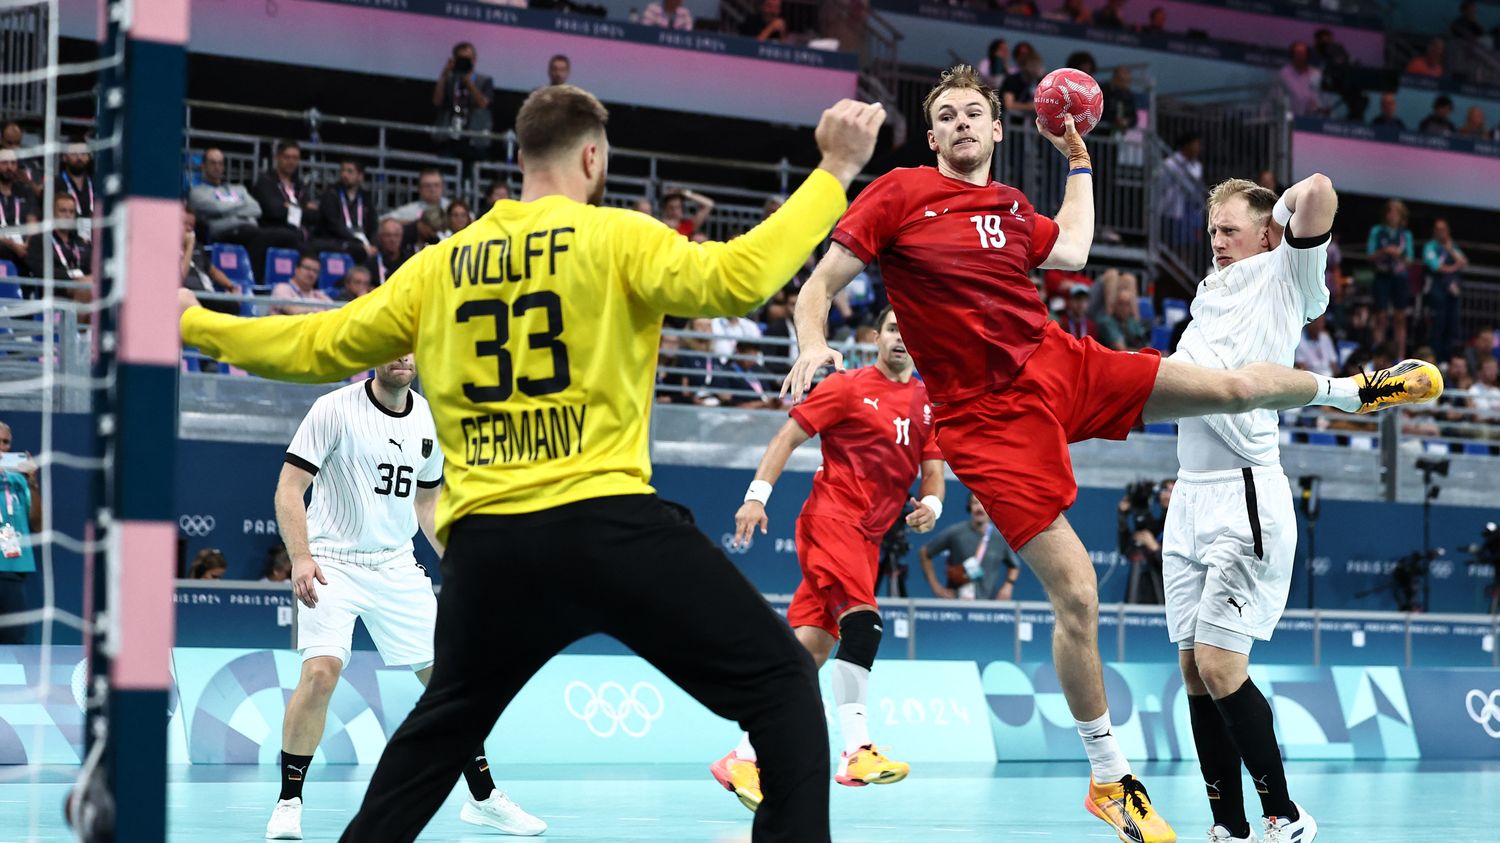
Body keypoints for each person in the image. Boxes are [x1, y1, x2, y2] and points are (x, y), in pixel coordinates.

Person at [179, 83, 885, 842]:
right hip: (607, 525)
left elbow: (312, 345)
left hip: (492, 550)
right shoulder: (617, 235)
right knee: (780, 685)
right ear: (592, 155)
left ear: (520, 158)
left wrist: (190, 320)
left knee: (439, 729)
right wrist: (833, 169)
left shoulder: (438, 266)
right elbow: (740, 277)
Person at [782, 65, 1441, 843]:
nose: (962, 123)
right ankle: (1109, 778)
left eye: (975, 114)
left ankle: (1349, 391)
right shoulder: (898, 192)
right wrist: (816, 345)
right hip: (985, 418)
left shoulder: (1009, 207)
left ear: (997, 131)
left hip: (1061, 363)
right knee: (1080, 593)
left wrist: (1081, 161)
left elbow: (1077, 246)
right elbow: (817, 286)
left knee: (1231, 387)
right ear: (932, 138)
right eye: (947, 116)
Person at [262, 356, 544, 840]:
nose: (402, 357)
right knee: (320, 673)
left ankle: (483, 799)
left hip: (395, 565)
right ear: (372, 356)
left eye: (410, 349)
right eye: (391, 348)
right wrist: (301, 556)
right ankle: (289, 800)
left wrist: (457, 561)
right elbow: (290, 489)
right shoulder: (332, 409)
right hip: (334, 560)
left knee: (450, 685)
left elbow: (427, 501)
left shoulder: (429, 419)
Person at [716, 306, 944, 810]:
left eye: (911, 330)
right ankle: (856, 750)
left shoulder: (929, 403)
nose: (901, 338)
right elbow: (787, 437)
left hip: (869, 538)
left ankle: (742, 757)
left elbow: (932, 472)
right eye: (891, 329)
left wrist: (931, 506)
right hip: (831, 520)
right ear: (876, 338)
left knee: (808, 654)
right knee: (864, 629)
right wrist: (757, 496)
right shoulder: (844, 386)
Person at [1165, 175, 1334, 843]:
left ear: (1264, 234)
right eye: (1212, 232)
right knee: (1192, 667)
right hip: (1189, 495)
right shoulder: (1209, 290)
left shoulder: (1286, 275)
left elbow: (1318, 191)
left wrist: (1282, 218)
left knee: (1219, 661)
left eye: (1229, 230)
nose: (1217, 242)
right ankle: (1228, 824)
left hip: (1244, 493)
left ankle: (1285, 814)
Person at [189, 147, 300, 277]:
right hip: (225, 234)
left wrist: (228, 209)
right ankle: (256, 283)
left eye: (220, 163)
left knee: (290, 237)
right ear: (203, 165)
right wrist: (241, 206)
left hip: (251, 231)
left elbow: (256, 209)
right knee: (261, 238)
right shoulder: (197, 192)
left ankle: (287, 283)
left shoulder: (238, 188)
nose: (217, 167)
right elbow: (217, 208)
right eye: (213, 163)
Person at [919, 493, 1019, 600]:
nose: (979, 508)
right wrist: (936, 588)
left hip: (987, 605)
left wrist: (1008, 586)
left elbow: (1014, 566)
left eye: (983, 503)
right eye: (975, 503)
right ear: (969, 507)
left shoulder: (999, 537)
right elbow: (925, 552)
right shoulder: (956, 532)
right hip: (956, 604)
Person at [0, 421, 40, 645]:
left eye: (6, 442)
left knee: (12, 642)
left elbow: (38, 524)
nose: (2, 448)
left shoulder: (18, 481)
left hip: (12, 570)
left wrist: (32, 484)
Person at [1367, 198, 1414, 356]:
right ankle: (1378, 352)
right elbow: (1370, 256)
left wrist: (1399, 254)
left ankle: (1400, 355)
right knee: (1381, 316)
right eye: (1391, 211)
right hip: (1382, 276)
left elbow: (1410, 260)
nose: (1393, 215)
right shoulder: (1377, 231)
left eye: (1397, 212)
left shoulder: (1405, 235)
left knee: (1400, 317)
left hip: (1399, 278)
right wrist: (1385, 251)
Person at [433, 42, 493, 163]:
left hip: (474, 137)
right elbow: (437, 101)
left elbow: (483, 104)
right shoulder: (449, 79)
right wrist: (443, 76)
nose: (464, 62)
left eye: (467, 59)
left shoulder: (484, 80)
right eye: (461, 59)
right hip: (449, 136)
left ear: (474, 60)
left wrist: (468, 83)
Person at [252, 139, 316, 241]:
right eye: (287, 157)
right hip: (274, 234)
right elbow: (275, 212)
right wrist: (302, 209)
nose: (291, 162)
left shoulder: (300, 185)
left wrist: (289, 207)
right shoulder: (265, 182)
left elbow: (313, 215)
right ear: (277, 157)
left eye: (295, 158)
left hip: (300, 235)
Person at [315, 158, 378, 258]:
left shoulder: (366, 198)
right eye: (343, 171)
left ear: (360, 176)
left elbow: (373, 225)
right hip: (338, 240)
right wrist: (356, 241)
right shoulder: (331, 194)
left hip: (361, 241)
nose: (344, 175)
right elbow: (333, 224)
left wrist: (373, 244)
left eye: (350, 171)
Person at [1423, 218, 1467, 361]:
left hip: (1452, 294)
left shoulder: (1452, 246)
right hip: (1437, 291)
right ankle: (1436, 359)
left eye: (1444, 230)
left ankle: (1448, 360)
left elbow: (1464, 262)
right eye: (1438, 230)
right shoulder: (1430, 247)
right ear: (1434, 232)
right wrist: (1455, 266)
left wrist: (1450, 250)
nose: (1442, 233)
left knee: (1452, 326)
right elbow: (1437, 267)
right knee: (1438, 327)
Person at [0, 149, 37, 265]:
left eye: (13, 163)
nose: (9, 167)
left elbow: (32, 221)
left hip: (24, 245)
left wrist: (27, 243)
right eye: (4, 163)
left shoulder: (25, 190)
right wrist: (12, 245)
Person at [269, 252, 333, 316]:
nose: (311, 274)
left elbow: (335, 312)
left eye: (315, 271)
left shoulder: (319, 294)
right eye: (307, 268)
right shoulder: (282, 288)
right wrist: (322, 312)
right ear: (296, 269)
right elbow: (295, 311)